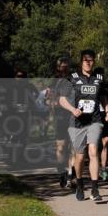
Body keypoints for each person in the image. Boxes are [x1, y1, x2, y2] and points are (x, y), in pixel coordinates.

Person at [58, 49, 108, 204]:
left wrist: (107, 112)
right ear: (81, 61)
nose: (88, 62)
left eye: (91, 60)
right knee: (80, 157)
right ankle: (80, 184)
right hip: (77, 123)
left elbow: (103, 98)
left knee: (94, 150)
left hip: (94, 121)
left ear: (94, 61)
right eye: (85, 60)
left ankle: (95, 189)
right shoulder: (72, 78)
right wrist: (72, 109)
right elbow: (62, 99)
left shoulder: (98, 79)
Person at [50, 57, 74, 188]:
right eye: (62, 67)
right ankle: (62, 172)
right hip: (60, 117)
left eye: (66, 67)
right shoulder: (55, 81)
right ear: (58, 68)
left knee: (73, 147)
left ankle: (71, 174)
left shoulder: (73, 79)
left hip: (73, 116)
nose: (64, 69)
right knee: (61, 147)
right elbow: (50, 99)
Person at [95, 67, 108, 181]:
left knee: (106, 142)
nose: (100, 77)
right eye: (97, 74)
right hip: (95, 116)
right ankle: (95, 169)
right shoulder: (92, 86)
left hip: (106, 116)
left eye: (101, 74)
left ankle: (103, 169)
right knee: (95, 145)